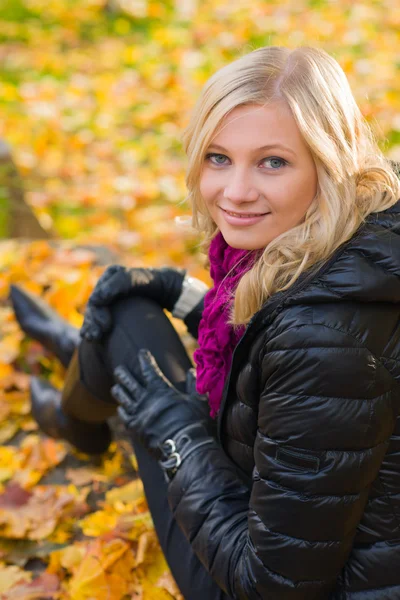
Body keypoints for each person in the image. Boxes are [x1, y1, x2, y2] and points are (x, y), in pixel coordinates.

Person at [10, 45, 400, 599]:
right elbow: (269, 354)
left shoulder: (325, 339)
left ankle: (81, 408)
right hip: (308, 526)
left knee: (126, 324)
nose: (235, 192)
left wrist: (175, 429)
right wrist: (189, 295)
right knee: (129, 310)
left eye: (273, 162)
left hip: (272, 581)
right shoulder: (350, 242)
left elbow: (270, 586)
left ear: (329, 162)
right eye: (218, 157)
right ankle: (84, 369)